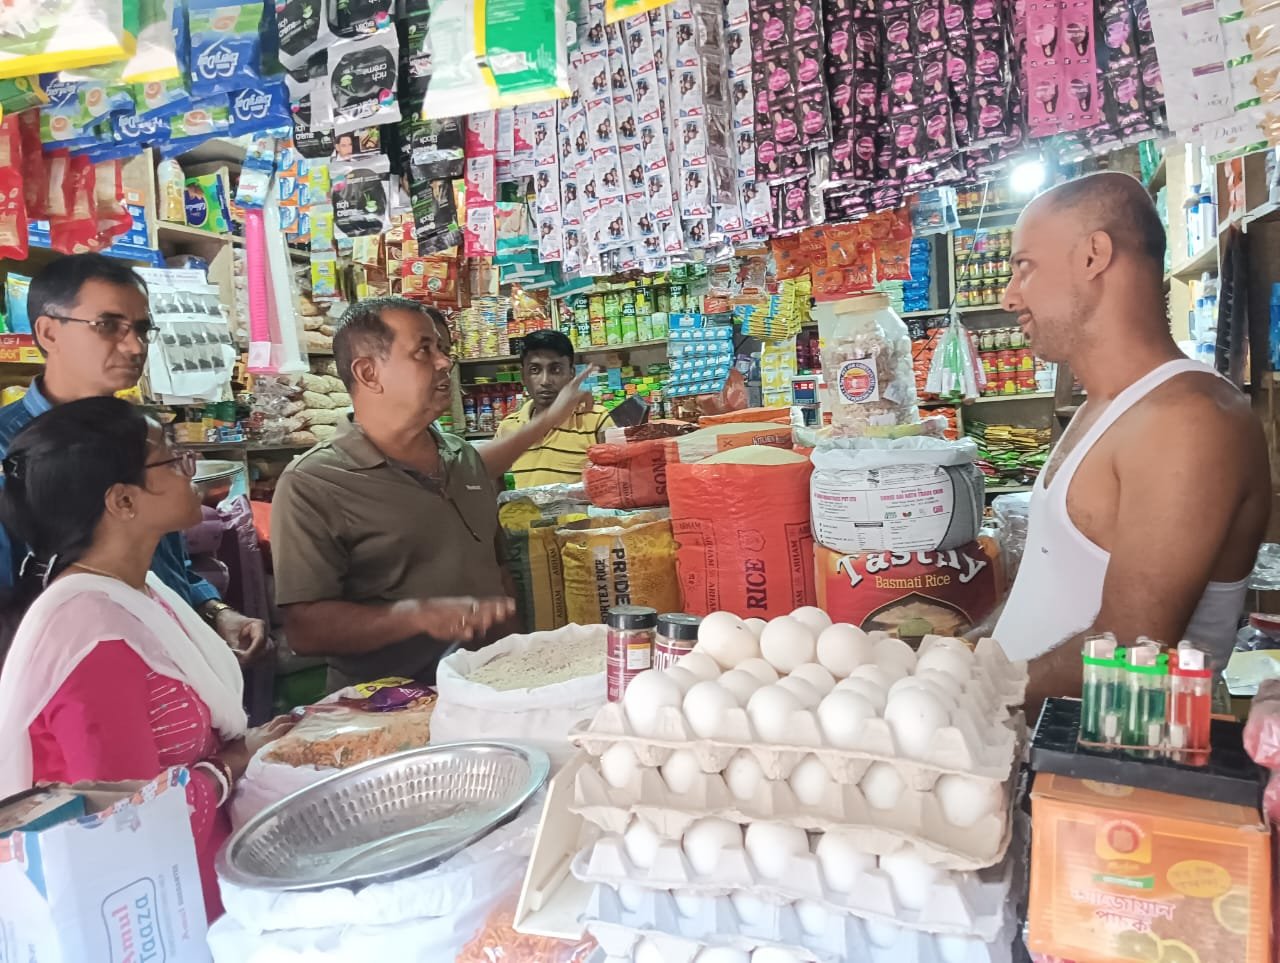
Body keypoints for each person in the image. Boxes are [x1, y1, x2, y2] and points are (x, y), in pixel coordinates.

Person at [0, 397, 293, 921]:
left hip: (207, 877)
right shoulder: (91, 637)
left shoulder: (141, 590)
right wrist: (232, 762)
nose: (190, 470)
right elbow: (128, 822)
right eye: (172, 459)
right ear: (123, 501)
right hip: (160, 911)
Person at [992, 171, 1270, 712]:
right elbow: (1049, 588)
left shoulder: (1187, 419)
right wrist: (966, 653)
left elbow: (1131, 654)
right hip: (1029, 740)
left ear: (1093, 256)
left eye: (1025, 267)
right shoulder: (1103, 404)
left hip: (1109, 756)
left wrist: (967, 691)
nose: (1010, 297)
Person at [270, 297, 593, 690]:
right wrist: (417, 616)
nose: (444, 362)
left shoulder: (462, 457)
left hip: (494, 692)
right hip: (391, 705)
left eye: (443, 348)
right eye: (424, 350)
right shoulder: (314, 483)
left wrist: (521, 657)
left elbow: (497, 574)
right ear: (369, 373)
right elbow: (305, 629)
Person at [0, 253, 268, 662]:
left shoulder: (142, 435)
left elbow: (164, 561)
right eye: (108, 325)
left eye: (141, 329)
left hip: (173, 661)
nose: (134, 346)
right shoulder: (10, 450)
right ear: (49, 332)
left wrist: (213, 611)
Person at [494, 330, 615, 489]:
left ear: (571, 374)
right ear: (523, 376)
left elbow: (617, 482)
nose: (545, 381)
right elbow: (494, 484)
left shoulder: (597, 419)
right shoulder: (507, 427)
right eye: (535, 370)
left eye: (555, 369)